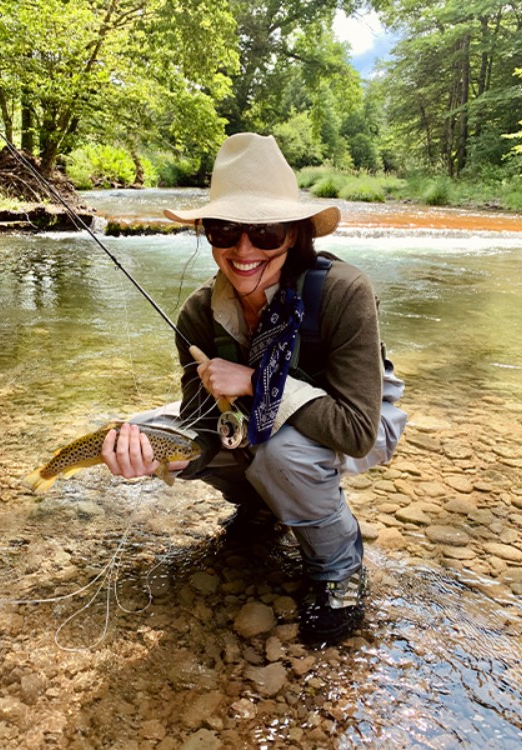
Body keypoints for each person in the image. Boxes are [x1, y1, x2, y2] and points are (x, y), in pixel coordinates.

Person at [100, 133, 384, 644]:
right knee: (144, 433)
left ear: (295, 235)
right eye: (225, 230)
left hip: (354, 417)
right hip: (255, 420)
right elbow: (203, 420)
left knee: (279, 453)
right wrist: (186, 455)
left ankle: (340, 567)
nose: (243, 250)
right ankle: (262, 509)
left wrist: (258, 381)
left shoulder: (345, 292)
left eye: (265, 232)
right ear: (208, 233)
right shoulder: (198, 311)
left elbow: (357, 430)